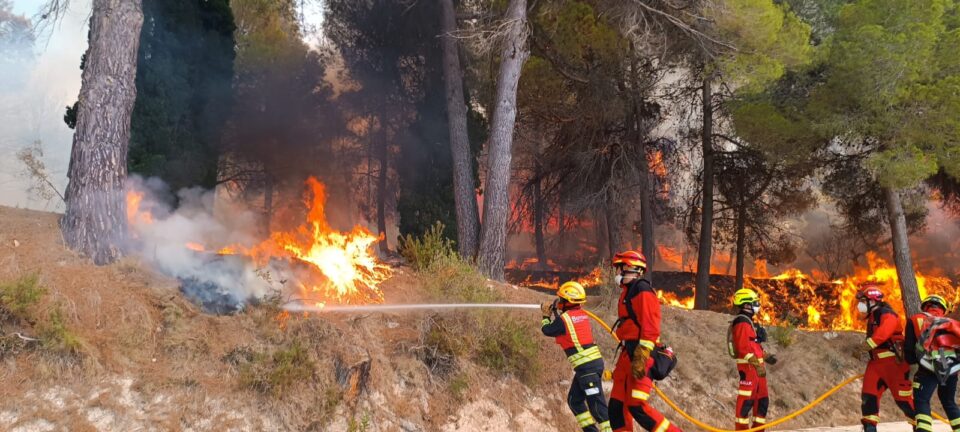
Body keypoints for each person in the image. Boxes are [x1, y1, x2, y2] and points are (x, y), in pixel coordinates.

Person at [607, 250, 681, 432]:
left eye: (620, 268)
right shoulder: (628, 292)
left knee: (636, 405)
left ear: (631, 268)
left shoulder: (642, 290)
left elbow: (651, 326)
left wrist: (642, 355)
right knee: (616, 408)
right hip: (628, 354)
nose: (617, 273)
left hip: (641, 354)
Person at [541, 281, 612, 432]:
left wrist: (545, 315)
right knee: (574, 401)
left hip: (587, 368)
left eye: (561, 299)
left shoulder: (564, 320)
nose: (559, 302)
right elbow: (564, 324)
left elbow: (547, 330)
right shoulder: (580, 314)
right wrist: (555, 312)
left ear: (568, 301)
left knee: (597, 409)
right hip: (588, 367)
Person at [854, 282, 915, 432]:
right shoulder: (873, 316)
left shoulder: (886, 313)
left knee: (903, 401)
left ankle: (921, 426)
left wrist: (866, 345)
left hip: (894, 364)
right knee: (869, 398)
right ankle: (870, 428)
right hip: (875, 365)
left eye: (863, 301)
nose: (860, 305)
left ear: (872, 301)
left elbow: (884, 332)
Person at [905, 295, 960, 432]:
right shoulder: (952, 323)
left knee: (922, 400)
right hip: (951, 370)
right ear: (943, 309)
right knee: (949, 402)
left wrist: (915, 361)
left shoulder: (915, 319)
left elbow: (909, 353)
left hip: (927, 369)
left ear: (925, 306)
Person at [728, 288, 776, 431]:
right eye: (755, 302)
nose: (757, 305)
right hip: (749, 370)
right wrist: (757, 365)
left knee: (762, 401)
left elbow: (753, 346)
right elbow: (743, 349)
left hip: (758, 371)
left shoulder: (749, 322)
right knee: (746, 402)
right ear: (746, 304)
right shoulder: (741, 322)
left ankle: (758, 429)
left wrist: (766, 357)